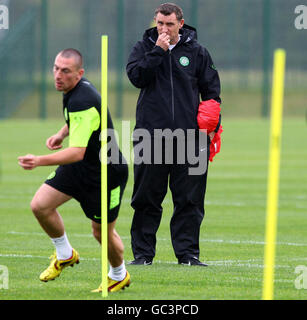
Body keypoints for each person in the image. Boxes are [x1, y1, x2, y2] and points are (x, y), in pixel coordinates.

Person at [18, 48, 130, 292]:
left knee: (101, 233)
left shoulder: (82, 99)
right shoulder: (72, 89)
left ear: (79, 74)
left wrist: (38, 160)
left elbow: (76, 151)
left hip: (105, 174)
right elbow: (79, 123)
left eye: (65, 71)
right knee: (40, 205)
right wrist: (61, 133)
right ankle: (65, 254)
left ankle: (119, 274)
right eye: (56, 68)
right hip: (80, 168)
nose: (58, 75)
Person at [126, 3, 221, 266]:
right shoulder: (143, 48)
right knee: (146, 199)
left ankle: (188, 255)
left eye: (169, 24)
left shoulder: (198, 52)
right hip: (150, 136)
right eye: (159, 23)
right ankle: (143, 256)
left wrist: (212, 126)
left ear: (181, 23)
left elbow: (212, 93)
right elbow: (137, 77)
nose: (164, 29)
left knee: (189, 201)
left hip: (191, 140)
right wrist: (158, 51)